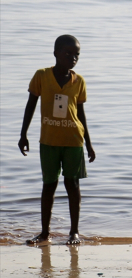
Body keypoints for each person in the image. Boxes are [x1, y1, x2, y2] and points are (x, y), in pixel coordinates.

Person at [18, 35, 96, 246]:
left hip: (73, 141)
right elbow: (30, 105)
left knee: (72, 185)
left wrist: (88, 143)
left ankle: (74, 233)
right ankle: (44, 233)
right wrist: (23, 133)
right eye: (68, 53)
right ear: (56, 53)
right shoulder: (42, 76)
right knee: (49, 186)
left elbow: (80, 112)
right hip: (49, 141)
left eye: (76, 55)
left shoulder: (79, 81)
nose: (72, 58)